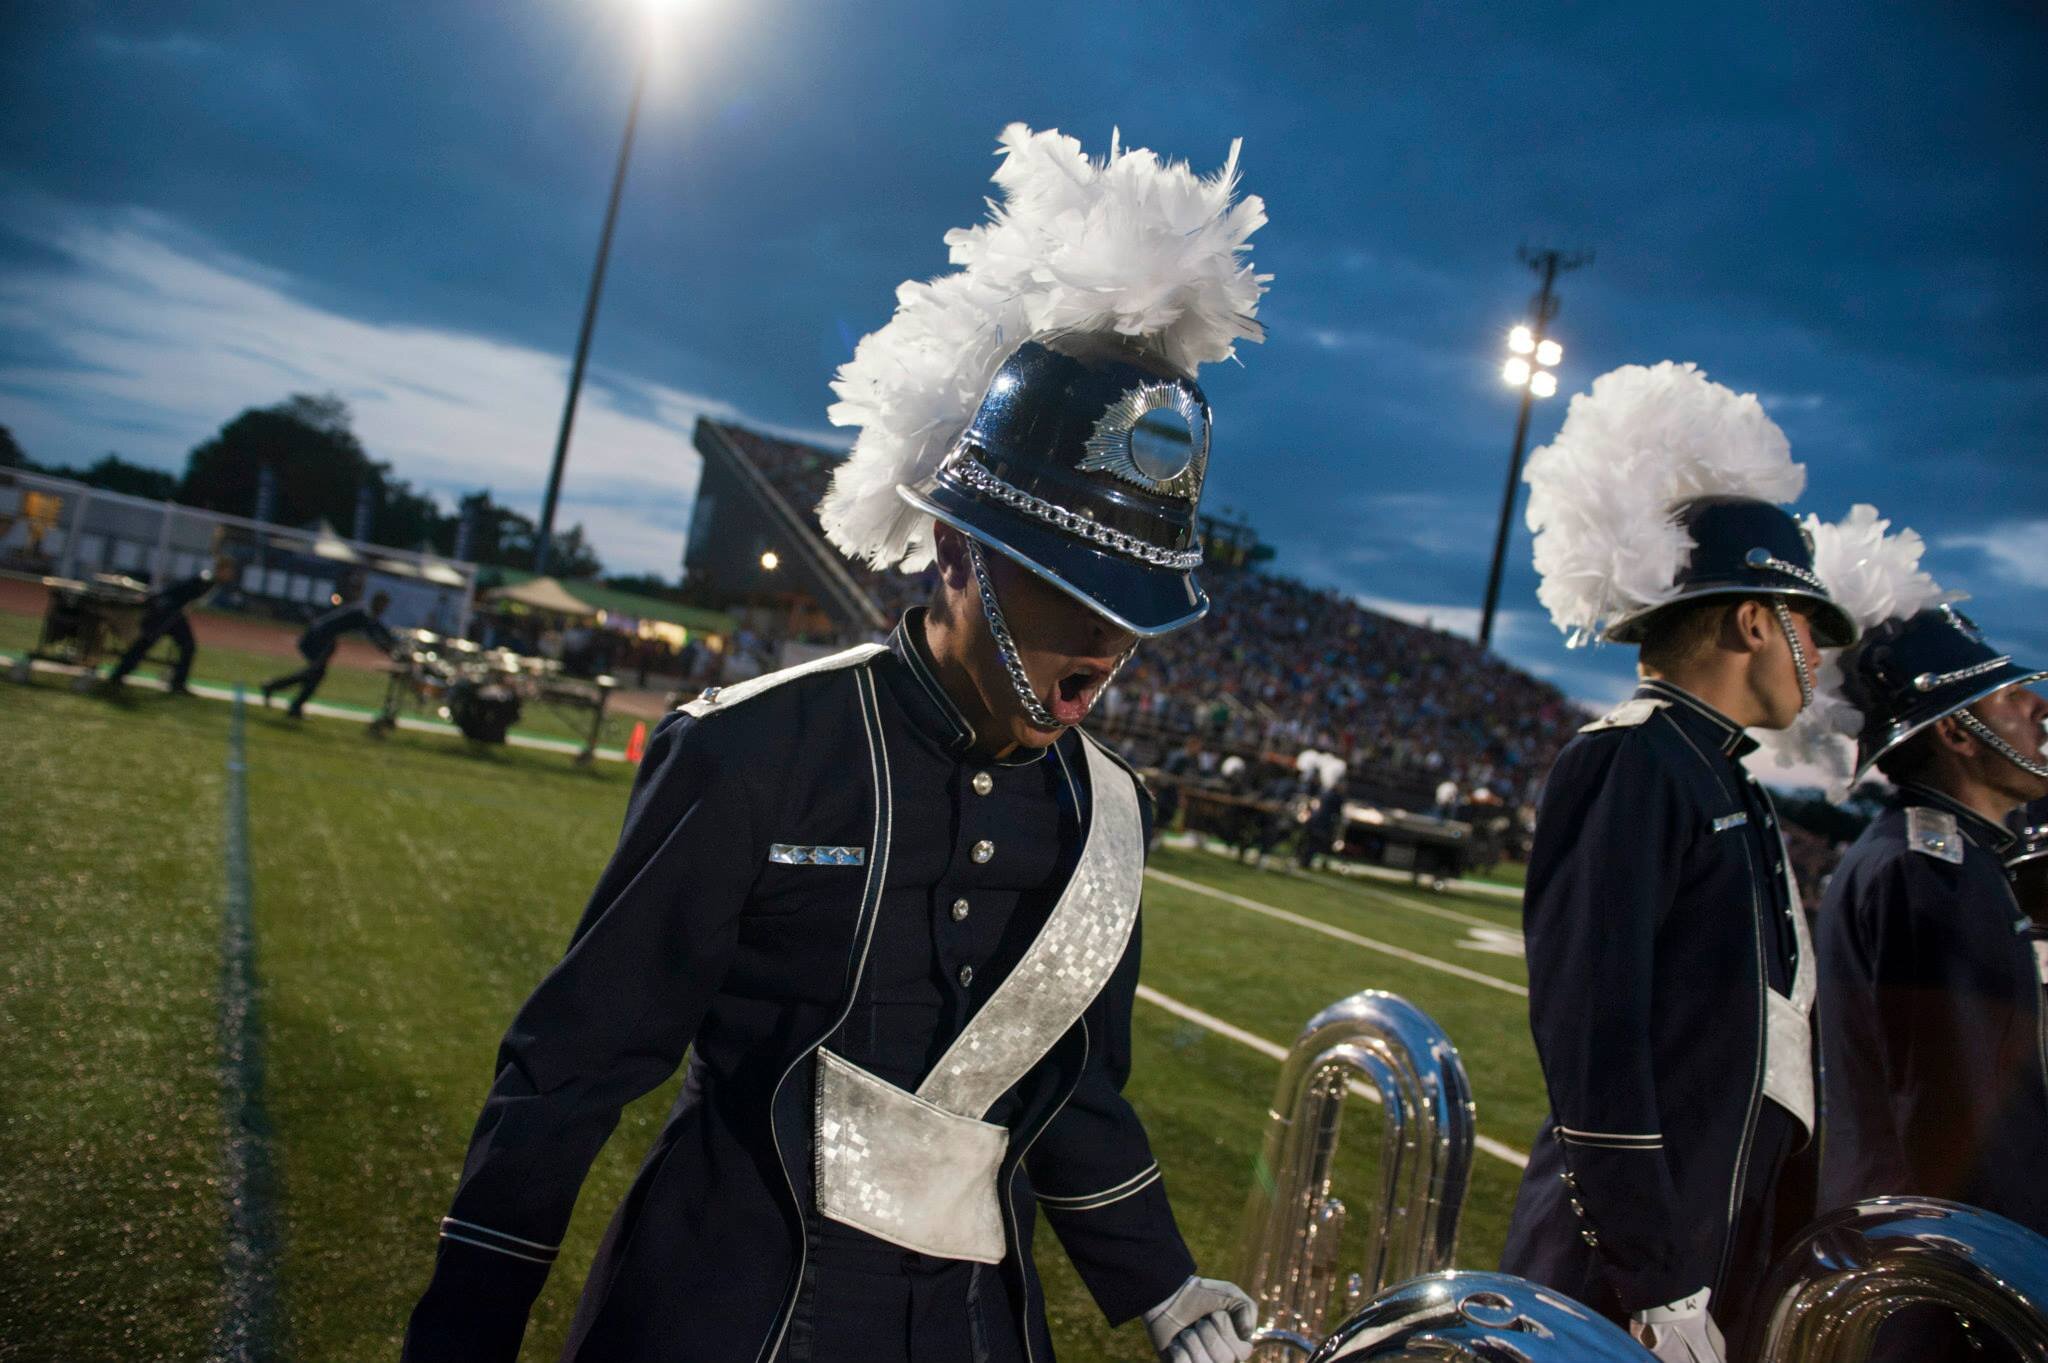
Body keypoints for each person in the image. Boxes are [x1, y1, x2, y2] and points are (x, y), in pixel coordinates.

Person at [404, 123, 1268, 1363]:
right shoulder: (754, 751)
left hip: (975, 1330)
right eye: (1073, 589)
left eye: (1136, 607)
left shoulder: (1110, 814)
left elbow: (1070, 1090)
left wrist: (1165, 1284)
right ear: (961, 554)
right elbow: (571, 1069)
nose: (1109, 638)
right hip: (721, 1310)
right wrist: (465, 1329)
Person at [1499, 362, 1858, 1361]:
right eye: (1807, 627)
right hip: (1621, 1271)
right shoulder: (1631, 758)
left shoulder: (1715, 774)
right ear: (1752, 619)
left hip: (1701, 1244)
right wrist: (1653, 1273)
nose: (1817, 658)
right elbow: (1592, 1036)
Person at [1804, 591, 2048, 1361]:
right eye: (2010, 696)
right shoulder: (1934, 872)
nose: (2038, 710)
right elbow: (1971, 1114)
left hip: (1911, 1254)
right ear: (1956, 730)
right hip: (1942, 1276)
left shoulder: (1930, 855)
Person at [101, 554, 237, 694]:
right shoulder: (205, 580)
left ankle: (177, 683)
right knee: (144, 644)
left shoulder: (212, 583)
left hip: (175, 616)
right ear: (221, 569)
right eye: (229, 570)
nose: (231, 574)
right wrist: (155, 602)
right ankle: (118, 675)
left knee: (187, 646)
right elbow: (176, 591)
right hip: (166, 614)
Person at [259, 590, 396, 718]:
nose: (384, 610)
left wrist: (393, 641)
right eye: (383, 606)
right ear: (378, 604)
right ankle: (276, 690)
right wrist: (390, 649)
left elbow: (378, 628)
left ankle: (287, 700)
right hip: (319, 639)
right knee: (315, 673)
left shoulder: (363, 611)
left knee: (315, 674)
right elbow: (373, 633)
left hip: (322, 639)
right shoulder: (363, 613)